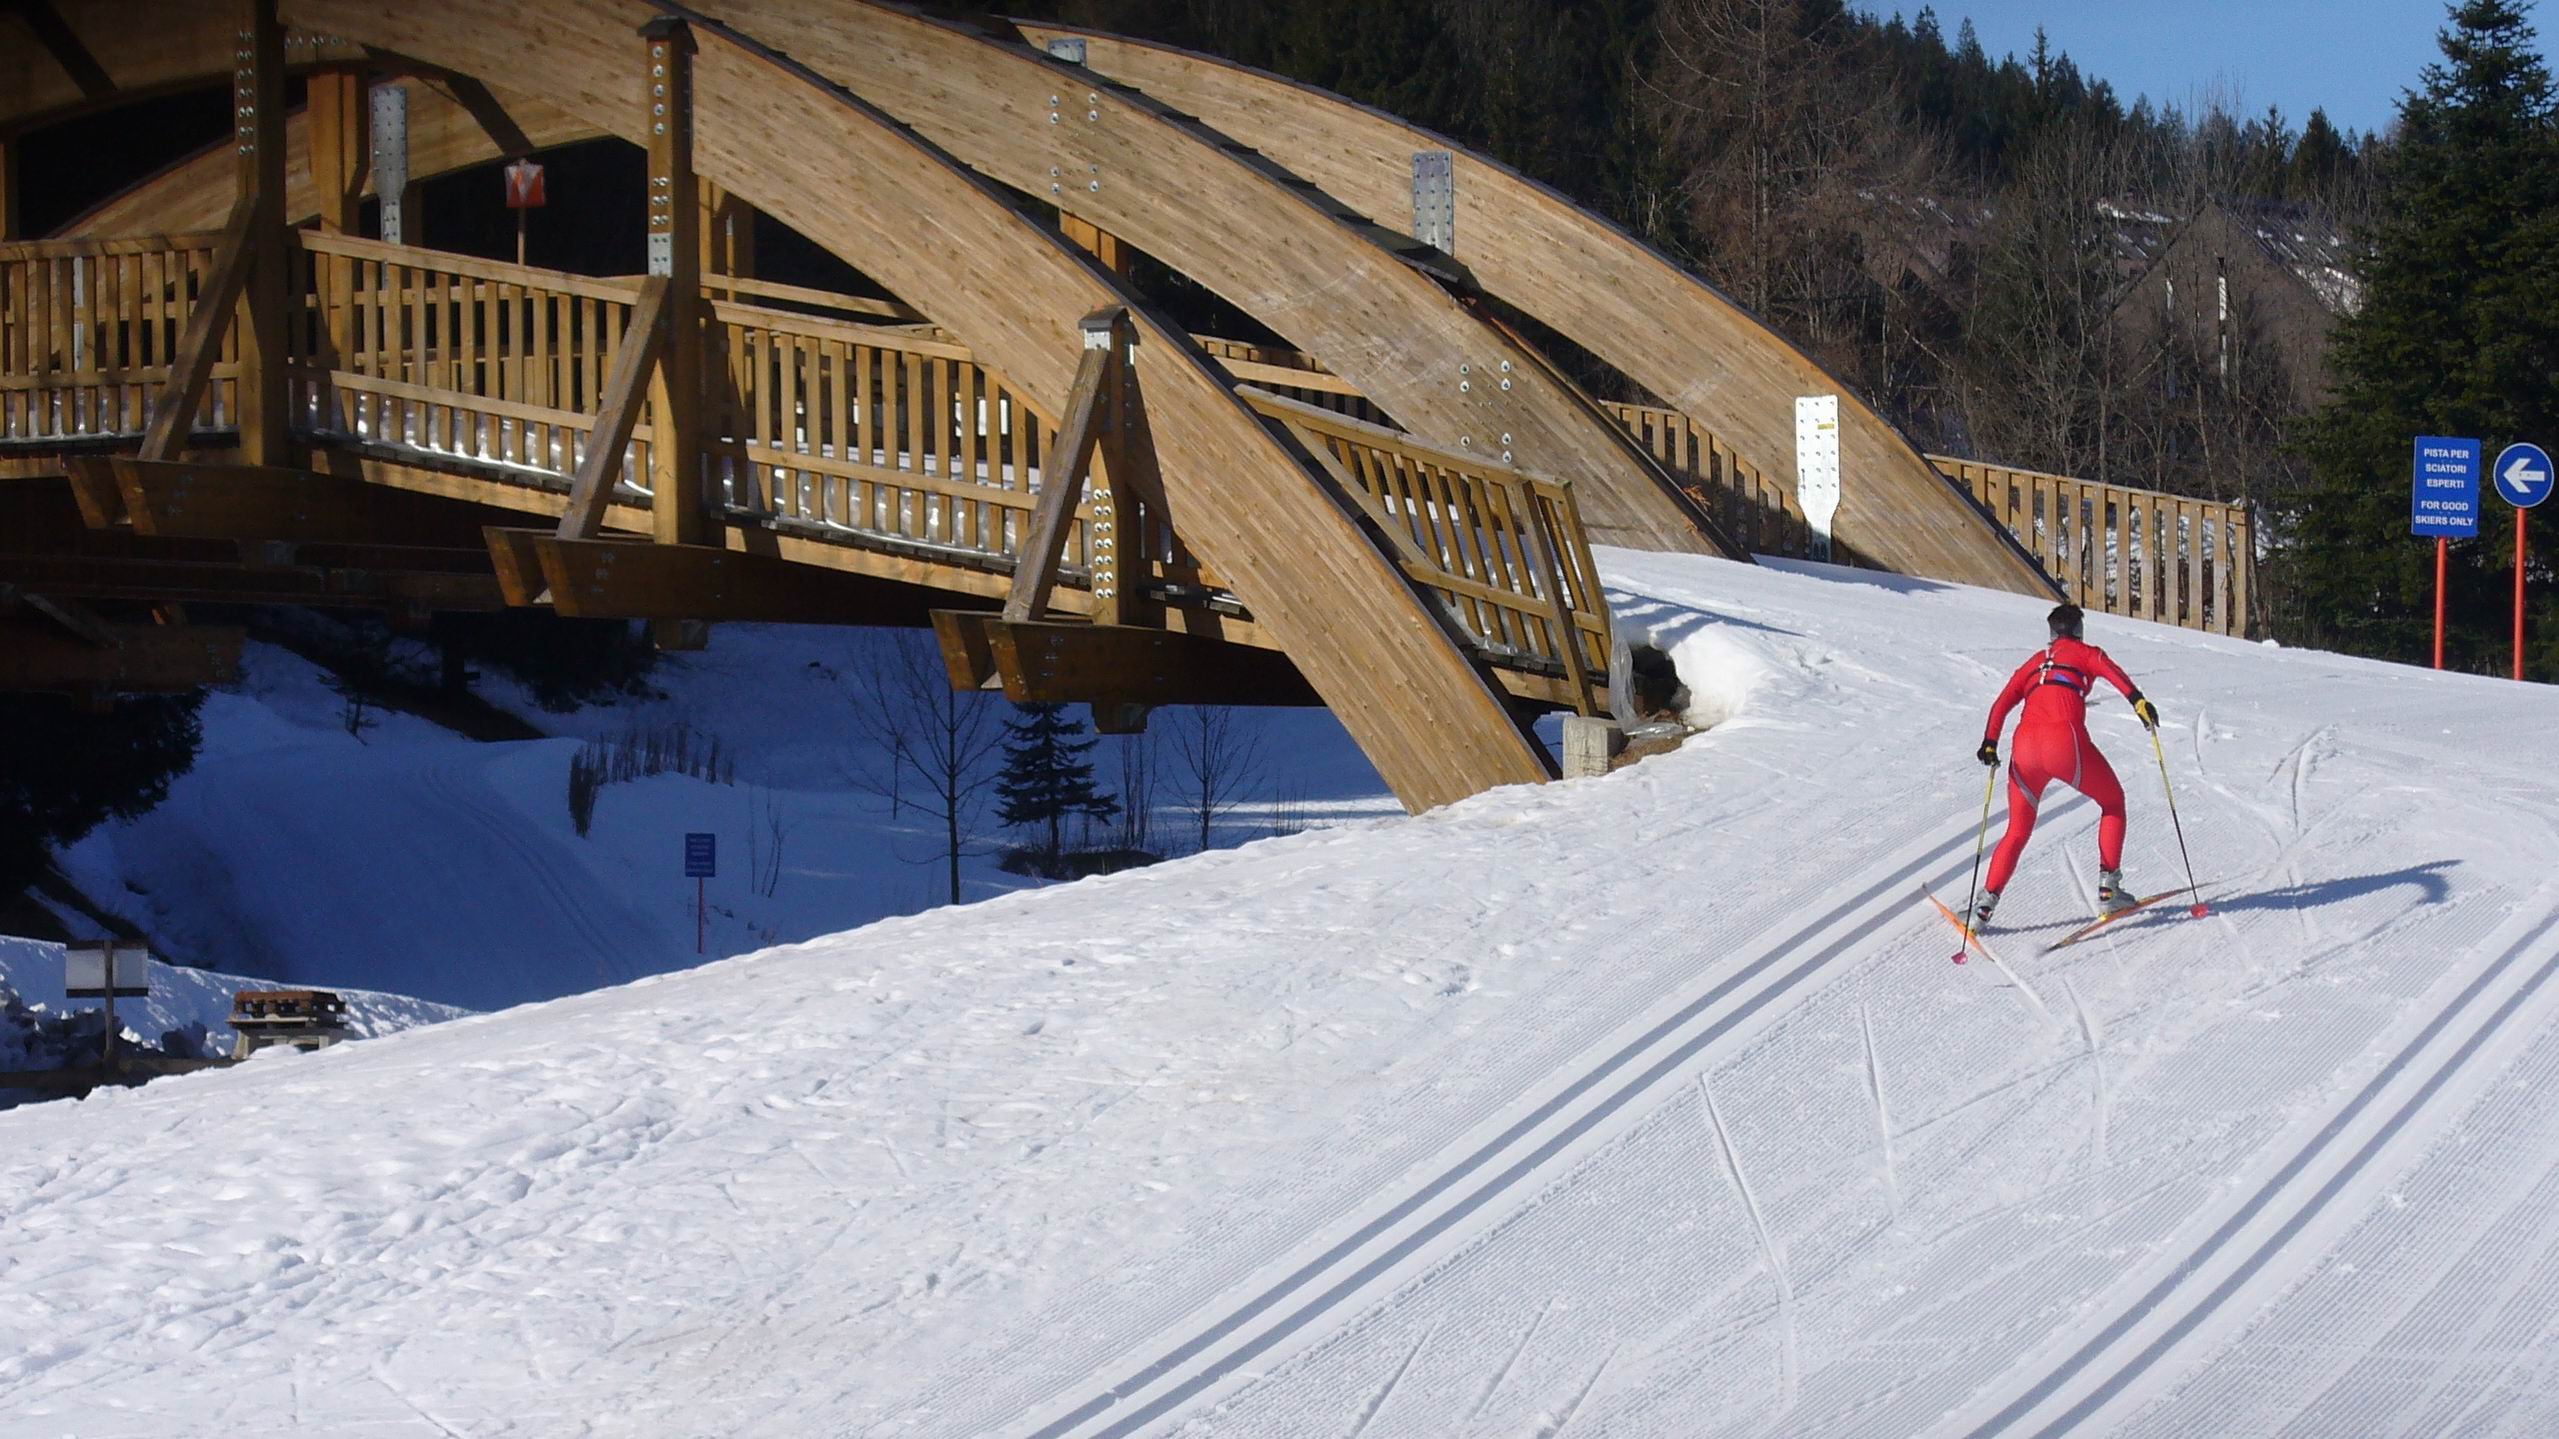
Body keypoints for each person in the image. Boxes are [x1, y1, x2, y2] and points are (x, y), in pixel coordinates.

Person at [1973, 603, 2159, 925]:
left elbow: (2001, 703)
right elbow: (2114, 675)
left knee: (2017, 830)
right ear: (2078, 631)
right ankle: (2109, 891)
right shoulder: (2087, 653)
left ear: (2052, 632)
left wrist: (1990, 742)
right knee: (2113, 802)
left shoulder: (2035, 662)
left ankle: (1983, 907)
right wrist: (2138, 702)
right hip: (2065, 744)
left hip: (2024, 750)